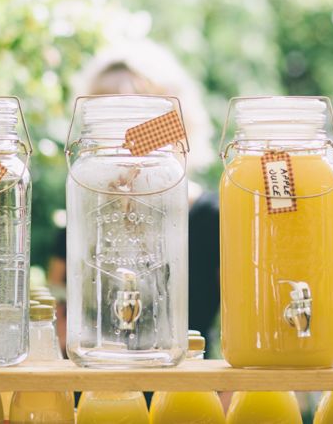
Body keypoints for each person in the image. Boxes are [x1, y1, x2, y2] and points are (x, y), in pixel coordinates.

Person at [47, 39, 220, 352]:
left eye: (137, 106)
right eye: (104, 108)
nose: (121, 128)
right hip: (94, 385)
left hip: (186, 390)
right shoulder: (84, 212)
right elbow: (58, 308)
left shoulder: (211, 217)